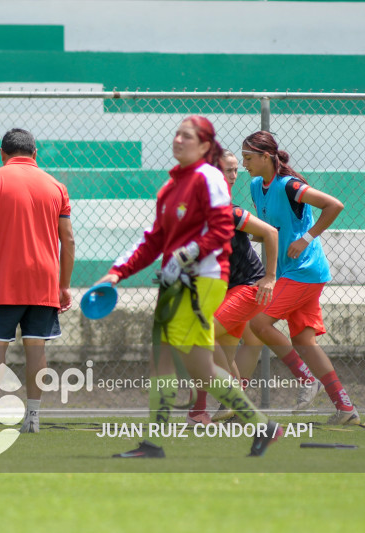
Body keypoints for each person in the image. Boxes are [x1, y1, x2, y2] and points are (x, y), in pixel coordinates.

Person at [97, 116, 281, 459]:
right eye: (177, 134)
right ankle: (258, 427)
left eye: (187, 135)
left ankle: (255, 425)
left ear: (204, 145)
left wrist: (188, 253)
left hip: (201, 281)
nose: (178, 139)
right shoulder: (170, 187)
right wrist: (117, 273)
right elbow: (154, 239)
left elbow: (221, 228)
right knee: (173, 361)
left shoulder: (208, 178)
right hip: (176, 283)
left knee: (189, 362)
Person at [0, 128, 75, 434]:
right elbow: (69, 240)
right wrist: (64, 285)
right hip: (44, 281)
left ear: (2, 154)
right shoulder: (56, 186)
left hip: (3, 281)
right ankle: (32, 419)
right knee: (37, 349)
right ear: (35, 154)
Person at [241, 131, 361, 425]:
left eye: (248, 158)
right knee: (304, 340)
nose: (244, 164)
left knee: (258, 322)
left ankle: (307, 379)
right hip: (289, 271)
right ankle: (346, 409)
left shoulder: (291, 185)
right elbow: (271, 231)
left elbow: (335, 205)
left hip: (306, 271)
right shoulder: (257, 186)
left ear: (265, 157)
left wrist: (306, 238)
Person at [186, 149, 278, 425]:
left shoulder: (230, 211)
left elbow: (271, 233)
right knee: (223, 353)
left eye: (236, 169)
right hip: (228, 290)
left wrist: (271, 277)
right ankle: (230, 407)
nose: (235, 176)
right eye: (229, 170)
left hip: (249, 287)